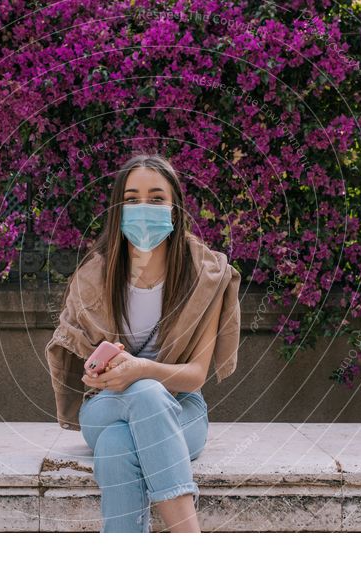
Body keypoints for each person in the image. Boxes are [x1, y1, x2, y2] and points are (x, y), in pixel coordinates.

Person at [45, 153, 241, 532]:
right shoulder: (93, 277)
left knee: (121, 441)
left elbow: (196, 375)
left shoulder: (206, 275)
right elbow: (85, 369)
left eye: (155, 198)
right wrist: (98, 372)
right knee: (141, 398)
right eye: (132, 199)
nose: (143, 207)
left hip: (182, 409)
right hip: (104, 408)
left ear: (175, 208)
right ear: (118, 209)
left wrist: (141, 370)